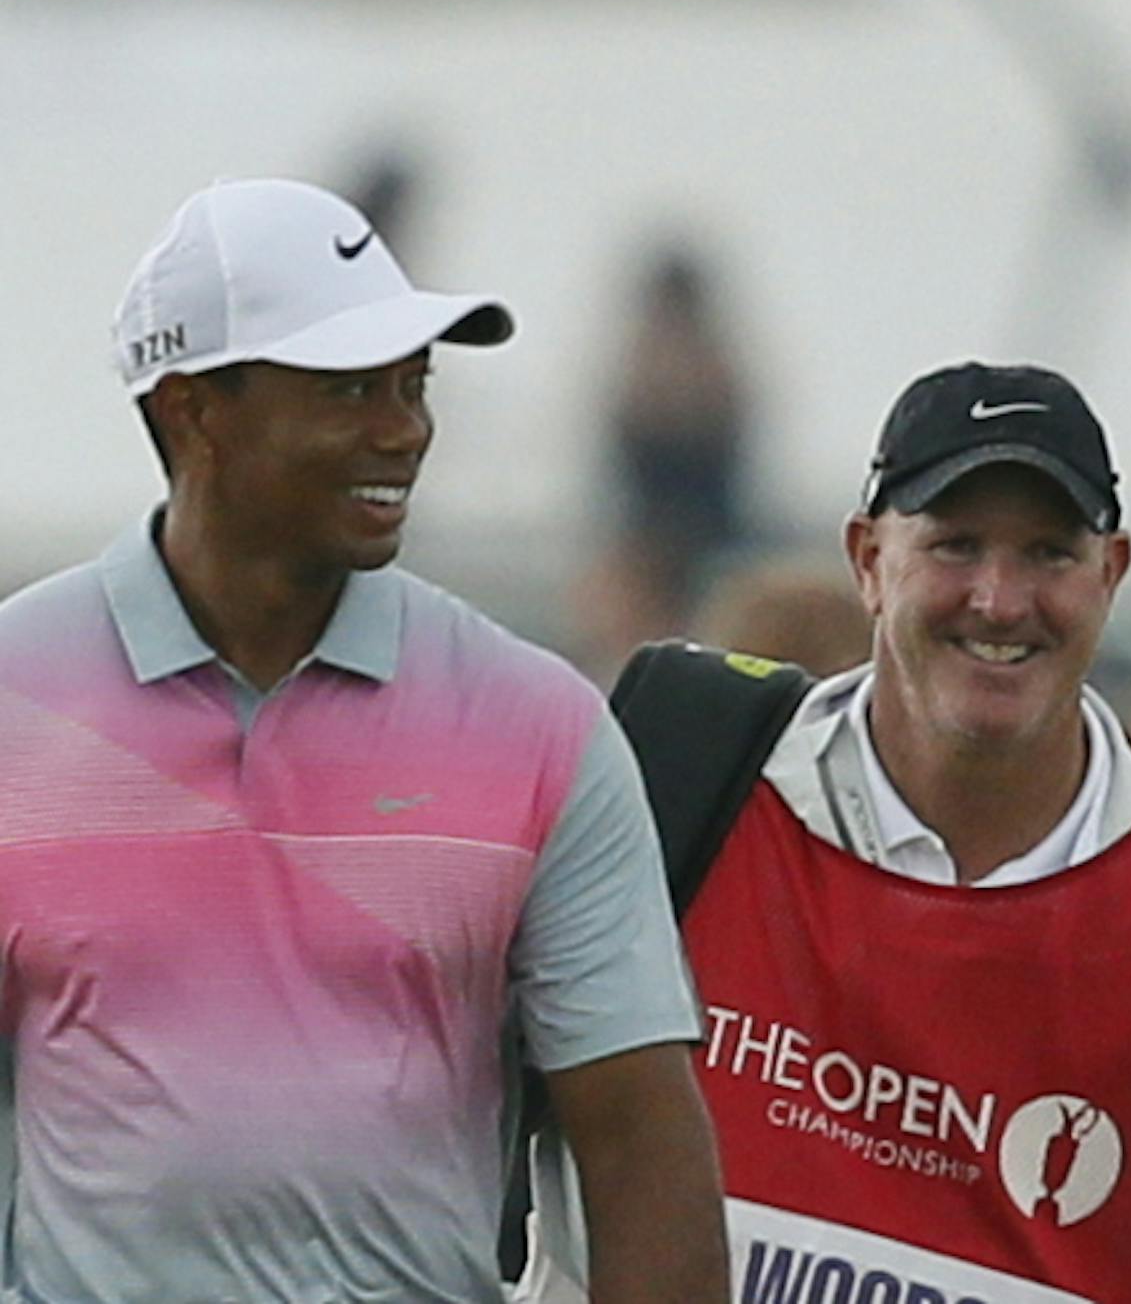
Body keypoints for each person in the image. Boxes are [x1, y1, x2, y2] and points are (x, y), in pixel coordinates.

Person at [522, 361, 1131, 1302]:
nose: (999, 598)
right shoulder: (668, 795)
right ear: (868, 560)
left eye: (1049, 553)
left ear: (1110, 574)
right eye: (955, 545)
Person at [0, 178, 731, 1302]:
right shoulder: (15, 696)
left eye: (413, 382)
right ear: (193, 408)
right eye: (349, 388)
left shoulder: (538, 724)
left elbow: (640, 1146)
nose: (406, 428)